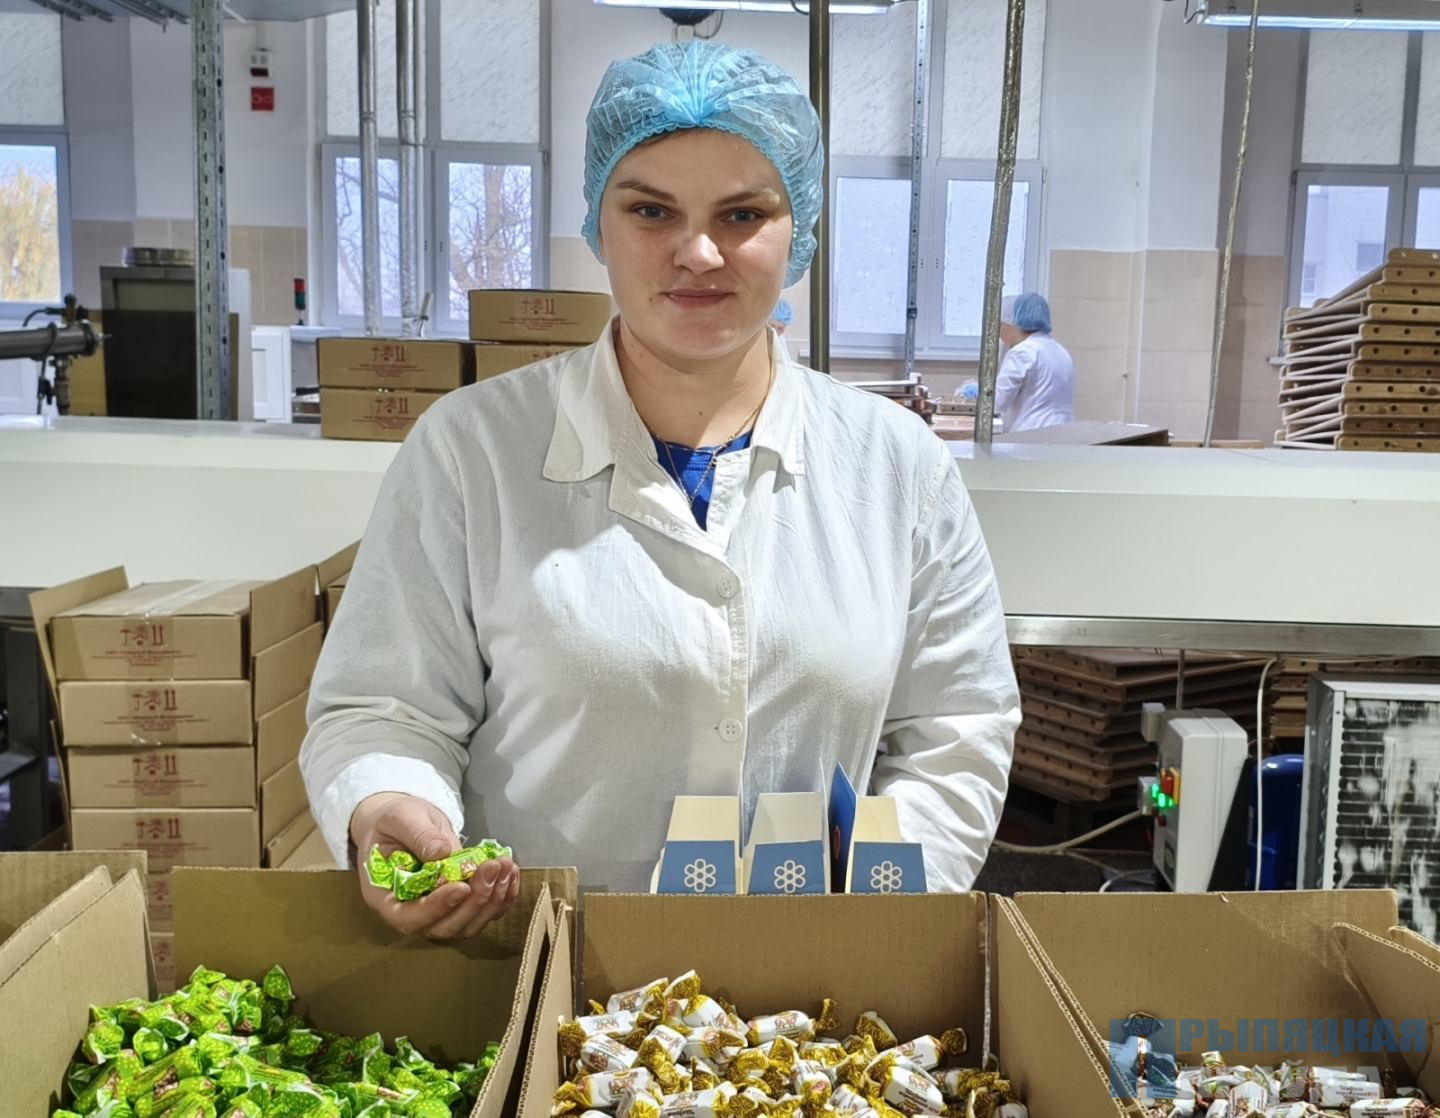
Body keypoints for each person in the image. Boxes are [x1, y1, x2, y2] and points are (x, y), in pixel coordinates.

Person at [300, 40, 1020, 939]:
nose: (699, 252)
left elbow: (957, 725)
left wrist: (886, 908)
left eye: (743, 213)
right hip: (537, 972)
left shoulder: (897, 464)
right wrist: (388, 802)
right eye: (651, 210)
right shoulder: (471, 449)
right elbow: (384, 707)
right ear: (598, 224)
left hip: (808, 986)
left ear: (800, 231)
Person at [995, 293, 1076, 434]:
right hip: (1063, 431)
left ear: (1010, 324)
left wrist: (979, 394)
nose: (999, 334)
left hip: (1032, 432)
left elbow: (998, 401)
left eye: (1000, 325)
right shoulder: (1060, 351)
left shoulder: (1022, 352)